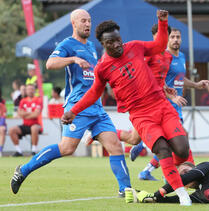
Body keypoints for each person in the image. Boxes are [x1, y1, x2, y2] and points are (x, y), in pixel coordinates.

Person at [61, 10, 193, 206]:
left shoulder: (135, 47)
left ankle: (170, 176)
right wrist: (73, 111)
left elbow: (158, 45)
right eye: (110, 43)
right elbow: (93, 94)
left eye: (117, 40)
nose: (116, 45)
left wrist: (163, 22)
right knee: (162, 149)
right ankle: (182, 194)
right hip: (141, 115)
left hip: (162, 105)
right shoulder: (102, 67)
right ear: (103, 45)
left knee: (182, 150)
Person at [10, 9, 134, 202]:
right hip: (77, 107)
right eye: (83, 21)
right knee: (67, 148)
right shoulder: (67, 44)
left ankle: (125, 190)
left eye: (89, 21)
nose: (87, 24)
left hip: (97, 108)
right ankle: (23, 170)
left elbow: (97, 75)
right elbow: (50, 63)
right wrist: (73, 59)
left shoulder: (93, 46)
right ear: (74, 23)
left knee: (115, 146)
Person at [129, 27, 209, 181]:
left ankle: (146, 164)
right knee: (178, 140)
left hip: (176, 103)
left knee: (172, 143)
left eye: (178, 37)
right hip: (163, 103)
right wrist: (171, 97)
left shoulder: (181, 57)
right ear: (166, 39)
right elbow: (156, 80)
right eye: (172, 37)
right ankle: (168, 173)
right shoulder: (161, 57)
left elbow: (180, 79)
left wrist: (196, 84)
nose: (175, 40)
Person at [8, 84, 42, 156]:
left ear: (34, 90)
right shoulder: (23, 100)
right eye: (28, 89)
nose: (30, 91)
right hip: (25, 125)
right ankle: (19, 151)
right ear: (26, 91)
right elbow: (20, 113)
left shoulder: (38, 100)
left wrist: (25, 114)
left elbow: (36, 114)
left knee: (34, 128)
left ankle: (34, 150)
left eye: (31, 89)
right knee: (11, 130)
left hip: (36, 124)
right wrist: (30, 113)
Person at [0, 88, 6, 157]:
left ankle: (0, 150)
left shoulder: (2, 104)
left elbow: (3, 116)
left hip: (1, 123)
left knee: (2, 129)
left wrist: (1, 124)